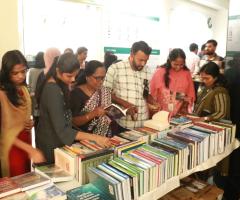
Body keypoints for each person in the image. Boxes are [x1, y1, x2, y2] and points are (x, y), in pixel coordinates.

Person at [36, 53, 111, 164]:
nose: (73, 79)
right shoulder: (53, 90)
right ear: (57, 70)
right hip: (51, 143)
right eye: (69, 76)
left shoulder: (59, 83)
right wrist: (95, 138)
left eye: (75, 75)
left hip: (57, 140)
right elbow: (63, 130)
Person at [0, 50, 46, 177]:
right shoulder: (2, 94)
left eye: (23, 71)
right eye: (15, 73)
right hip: (12, 147)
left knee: (26, 179)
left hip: (26, 140)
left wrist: (30, 122)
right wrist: (30, 149)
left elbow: (23, 116)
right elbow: (3, 133)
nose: (21, 76)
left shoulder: (23, 89)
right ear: (6, 72)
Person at [103, 41, 159, 129]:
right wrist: (125, 104)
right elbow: (105, 94)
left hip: (143, 124)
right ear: (132, 55)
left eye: (146, 60)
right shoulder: (115, 69)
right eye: (140, 60)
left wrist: (153, 102)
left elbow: (145, 93)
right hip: (122, 124)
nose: (143, 64)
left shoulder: (148, 71)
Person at [70, 60, 121, 136]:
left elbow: (109, 114)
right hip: (85, 137)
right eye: (97, 78)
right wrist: (93, 114)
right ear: (87, 76)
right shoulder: (76, 94)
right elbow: (73, 121)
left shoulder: (104, 91)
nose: (101, 82)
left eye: (103, 78)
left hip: (107, 135)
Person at [150, 48, 195, 117]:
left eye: (181, 64)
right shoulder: (160, 71)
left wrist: (183, 107)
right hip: (161, 112)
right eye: (175, 64)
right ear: (170, 61)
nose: (178, 67)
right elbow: (152, 93)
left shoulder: (186, 73)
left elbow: (189, 93)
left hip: (179, 112)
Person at [28, 52, 45, 129]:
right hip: (42, 96)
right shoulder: (45, 70)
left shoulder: (31, 70)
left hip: (33, 96)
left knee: (35, 119)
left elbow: (30, 84)